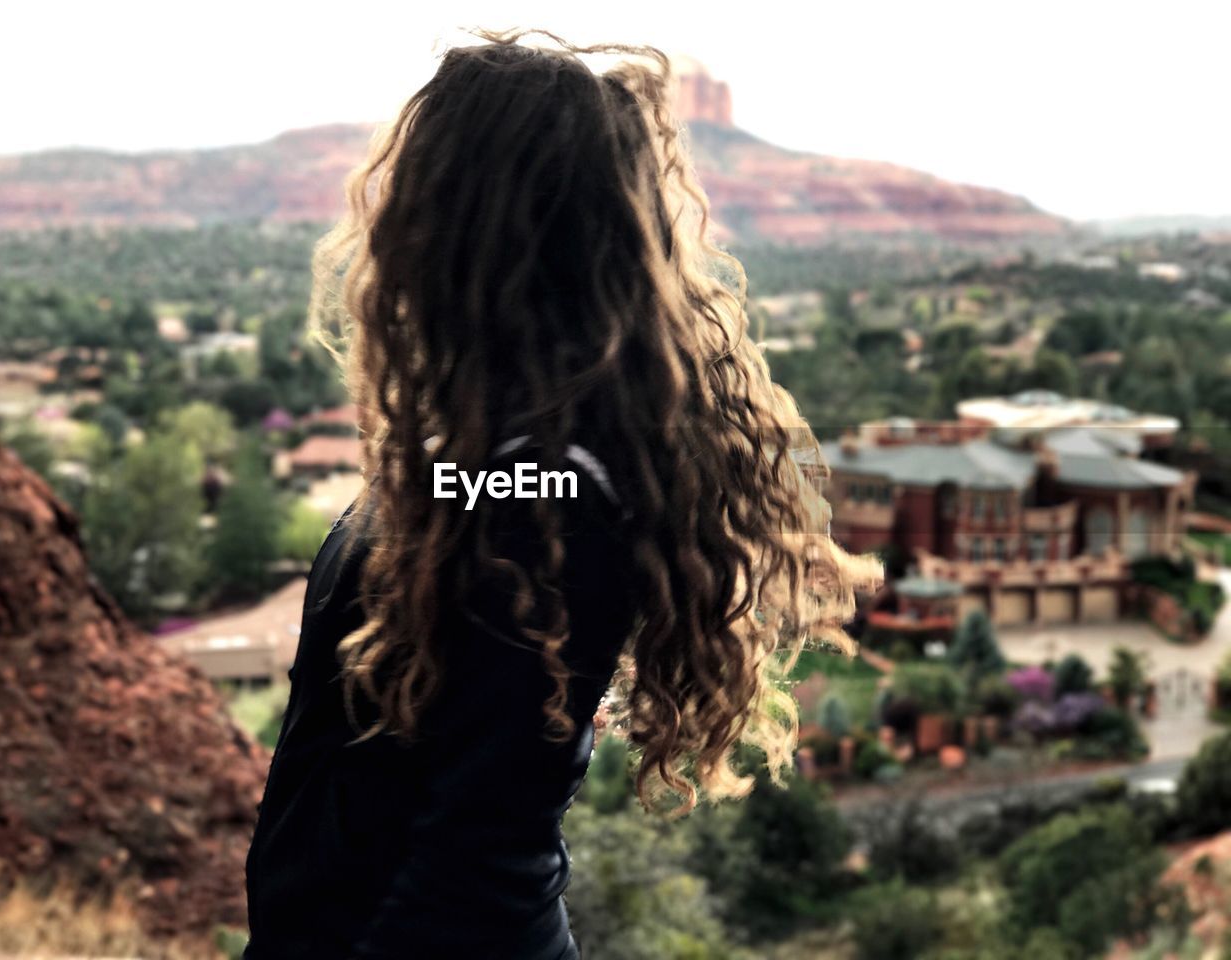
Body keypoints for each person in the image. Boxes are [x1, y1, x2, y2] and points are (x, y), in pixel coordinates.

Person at [242, 27, 882, 960]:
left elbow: (469, 859)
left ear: (467, 219)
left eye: (419, 183)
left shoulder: (542, 500)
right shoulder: (493, 459)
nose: (385, 213)